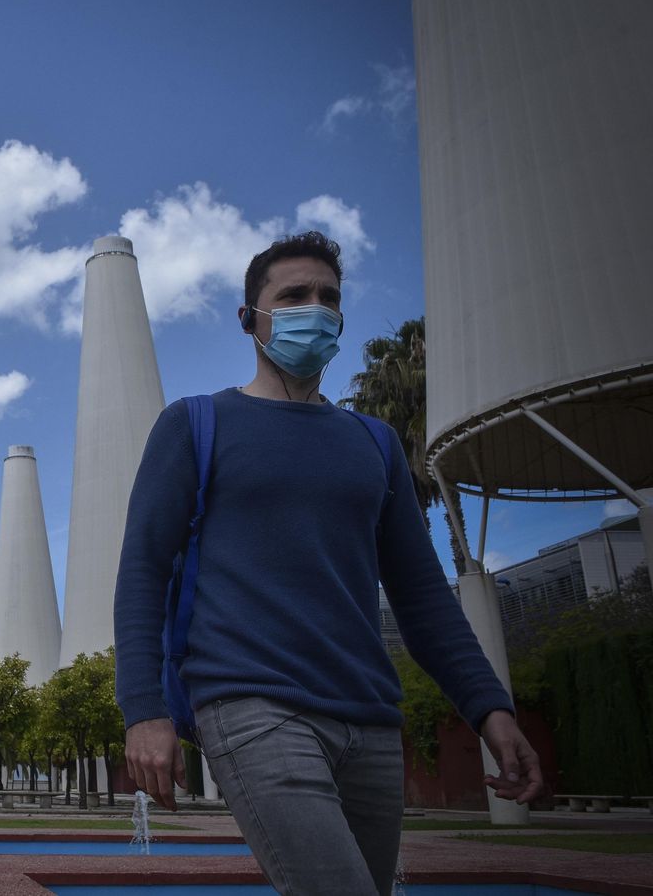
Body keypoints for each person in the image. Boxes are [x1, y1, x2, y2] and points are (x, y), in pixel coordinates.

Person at [113, 231, 544, 896]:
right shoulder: (196, 425)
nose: (313, 309)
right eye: (293, 296)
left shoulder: (373, 443)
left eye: (328, 298)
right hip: (250, 703)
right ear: (249, 319)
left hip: (369, 717)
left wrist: (492, 710)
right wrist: (143, 710)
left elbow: (422, 596)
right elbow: (143, 571)